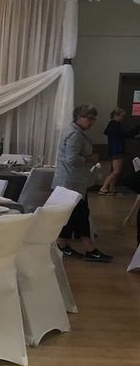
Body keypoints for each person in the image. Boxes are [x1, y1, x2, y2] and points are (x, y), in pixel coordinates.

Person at [53, 104, 113, 262]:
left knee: (75, 215)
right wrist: (90, 158)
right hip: (70, 182)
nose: (92, 121)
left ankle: (64, 244)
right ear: (79, 117)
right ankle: (89, 248)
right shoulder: (75, 135)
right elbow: (71, 159)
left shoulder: (76, 132)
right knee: (78, 214)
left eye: (94, 118)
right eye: (89, 118)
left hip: (74, 182)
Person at [98, 107, 140, 195]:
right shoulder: (115, 125)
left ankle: (111, 189)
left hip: (115, 150)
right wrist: (137, 128)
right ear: (116, 115)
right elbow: (125, 134)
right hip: (117, 150)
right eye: (122, 116)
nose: (123, 118)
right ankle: (104, 187)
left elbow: (124, 135)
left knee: (116, 170)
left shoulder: (113, 125)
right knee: (116, 171)